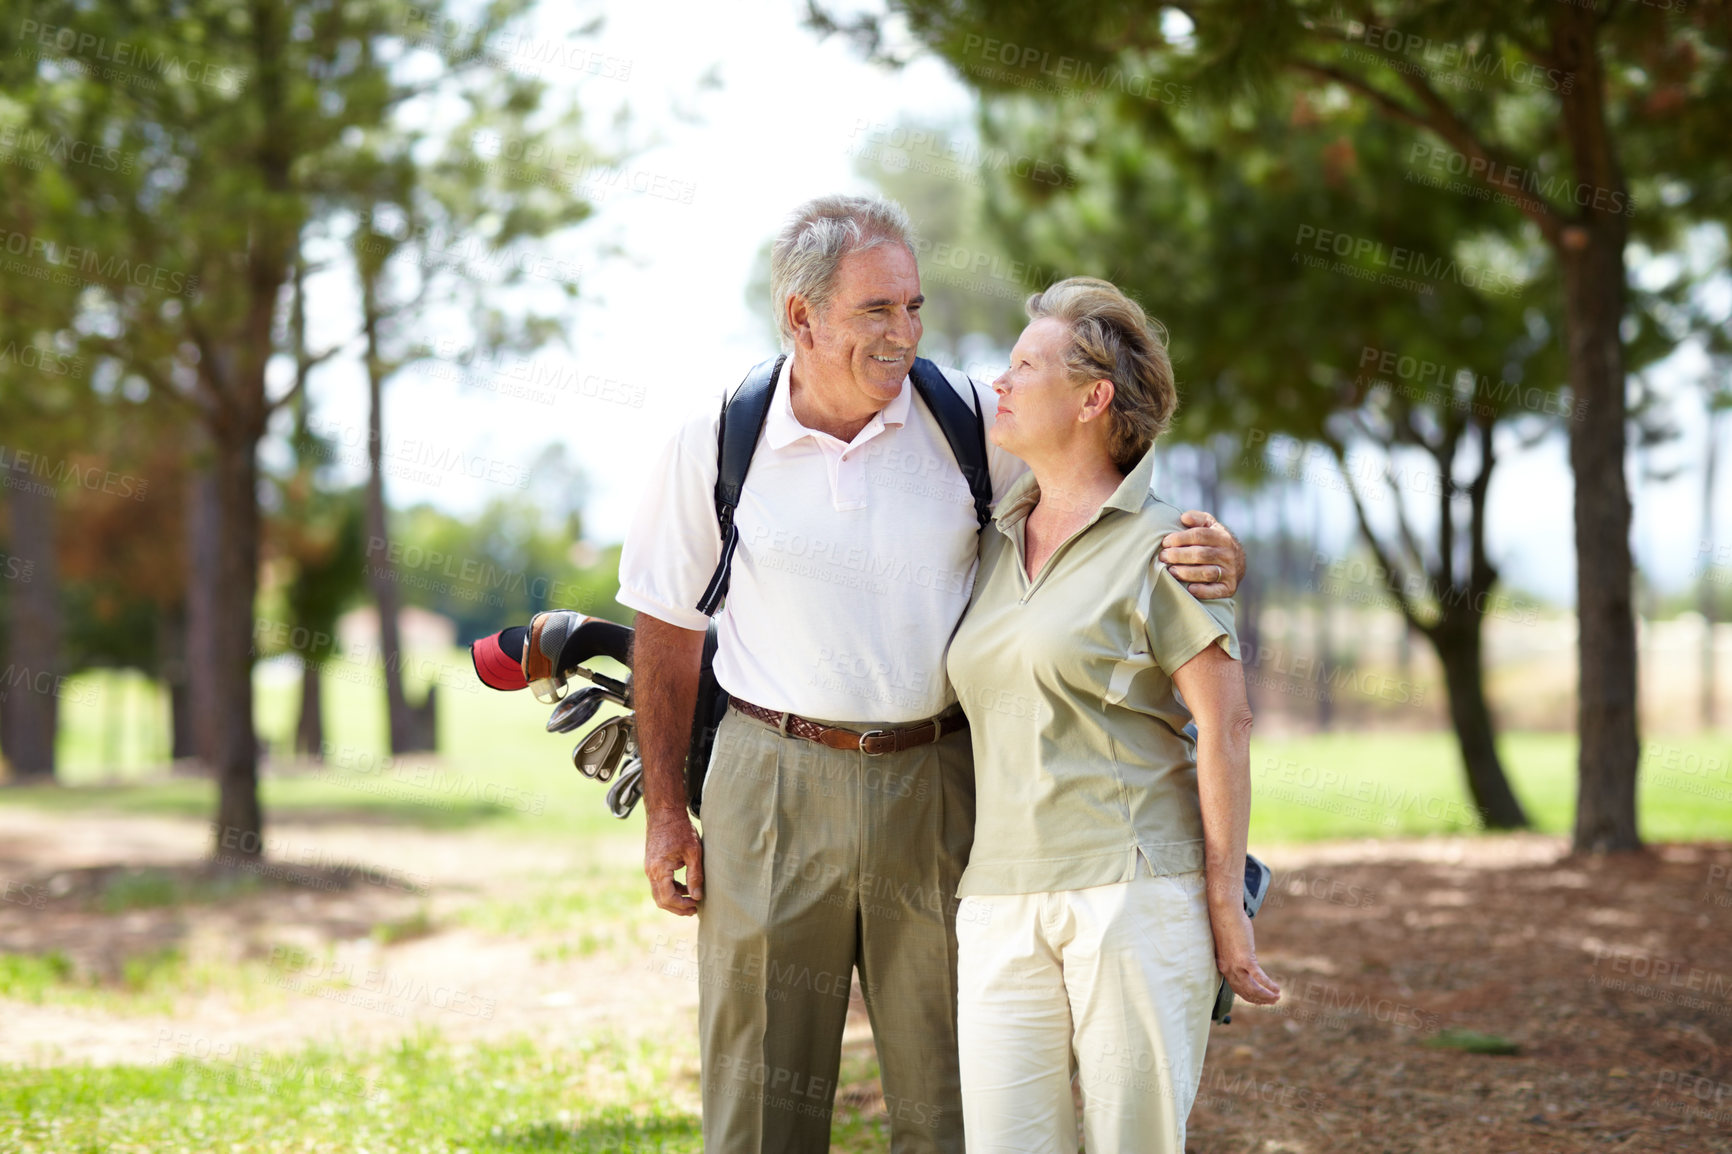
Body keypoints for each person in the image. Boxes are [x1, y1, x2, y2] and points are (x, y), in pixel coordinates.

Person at [615, 196, 1247, 1153]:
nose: (904, 333)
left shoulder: (967, 426)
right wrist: (669, 811)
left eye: (913, 307)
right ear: (802, 317)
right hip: (768, 783)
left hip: (941, 787)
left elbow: (1098, 498)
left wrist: (1206, 550)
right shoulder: (710, 441)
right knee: (755, 1106)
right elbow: (667, 632)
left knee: (957, 1103)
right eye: (877, 311)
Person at [945, 277, 1280, 1154]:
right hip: (997, 896)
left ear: (1094, 397)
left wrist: (1224, 899)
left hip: (1132, 893)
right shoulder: (986, 539)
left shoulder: (1167, 544)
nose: (1000, 385)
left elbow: (1229, 723)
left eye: (1024, 366)